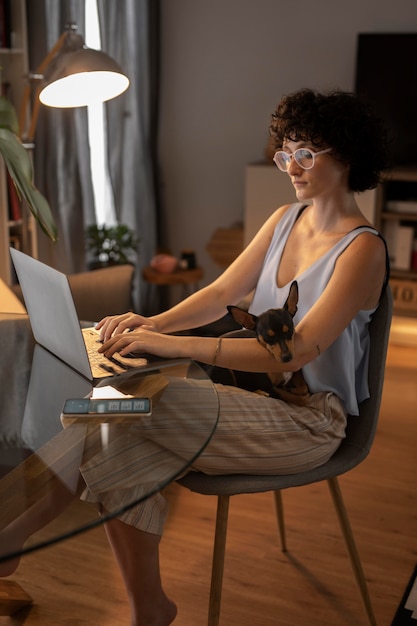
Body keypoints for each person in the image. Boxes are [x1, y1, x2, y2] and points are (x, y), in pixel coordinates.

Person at [1, 88, 390, 626]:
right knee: (110, 437)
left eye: (307, 153)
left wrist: (166, 344)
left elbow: (298, 347)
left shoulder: (363, 248)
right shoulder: (284, 220)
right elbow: (219, 294)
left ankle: (12, 536)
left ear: (348, 155)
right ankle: (149, 610)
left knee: (119, 404)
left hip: (311, 423)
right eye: (286, 152)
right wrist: (150, 322)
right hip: (251, 404)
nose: (291, 166)